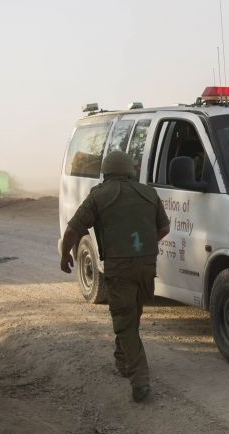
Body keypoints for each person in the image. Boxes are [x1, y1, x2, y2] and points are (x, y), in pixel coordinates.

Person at [59, 151, 170, 401]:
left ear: (106, 172)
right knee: (132, 315)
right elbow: (164, 227)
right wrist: (146, 246)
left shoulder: (99, 195)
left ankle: (140, 380)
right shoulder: (149, 193)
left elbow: (72, 230)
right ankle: (123, 362)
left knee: (124, 322)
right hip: (146, 265)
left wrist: (65, 255)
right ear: (130, 170)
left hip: (120, 269)